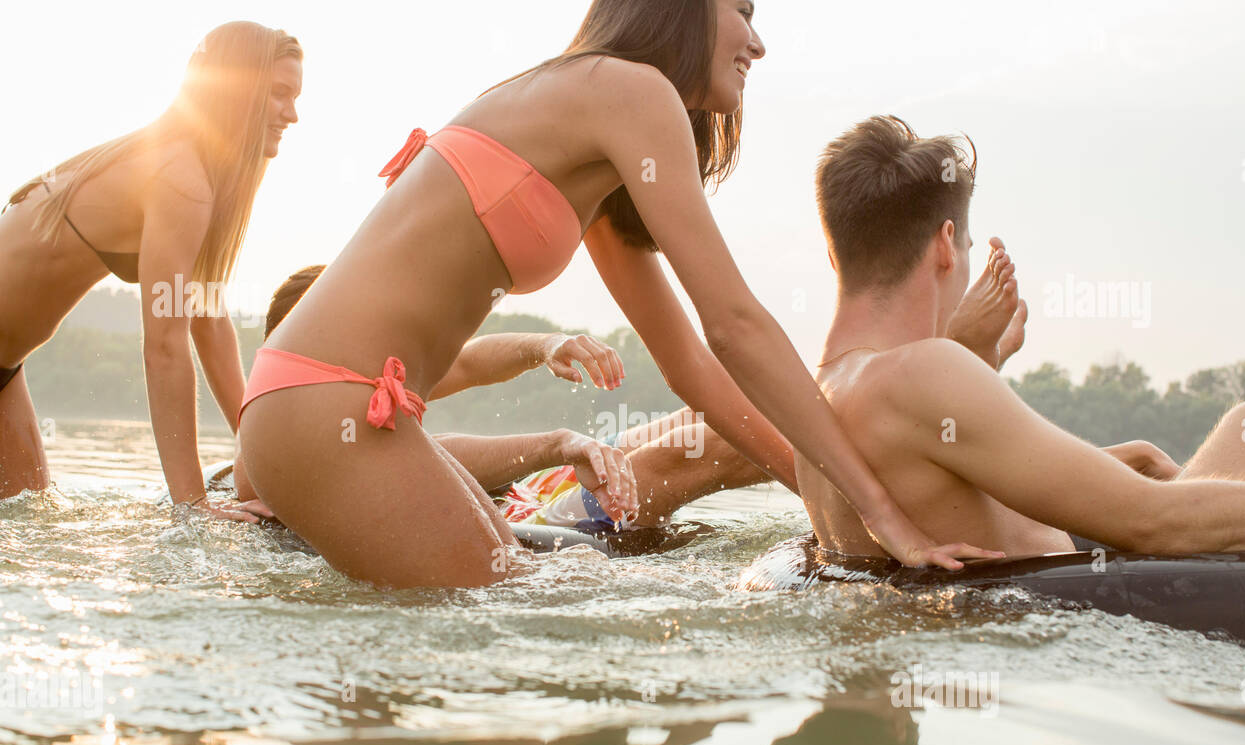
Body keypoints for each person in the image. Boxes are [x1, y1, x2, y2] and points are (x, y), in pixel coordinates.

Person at [237, 0, 1011, 589]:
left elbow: (692, 369)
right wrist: (876, 509)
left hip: (331, 410)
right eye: (741, 9)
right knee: (511, 617)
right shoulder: (630, 92)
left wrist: (822, 497)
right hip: (327, 405)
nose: (758, 40)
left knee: (526, 594)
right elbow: (735, 324)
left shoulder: (599, 129)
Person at [799, 115, 1245, 558]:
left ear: (833, 254)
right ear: (946, 246)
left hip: (982, 615)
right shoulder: (922, 370)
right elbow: (1151, 522)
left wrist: (977, 354)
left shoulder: (811, 399)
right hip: (1089, 622)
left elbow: (955, 485)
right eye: (968, 248)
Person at [0, 21, 302, 521]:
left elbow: (209, 323)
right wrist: (193, 506)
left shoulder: (196, 175)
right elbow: (164, 345)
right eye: (279, 94)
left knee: (29, 515)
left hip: (8, 371)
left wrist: (262, 458)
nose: (292, 113)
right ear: (238, 89)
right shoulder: (180, 177)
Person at [232, 265, 767, 531]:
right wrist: (559, 443)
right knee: (708, 442)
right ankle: (849, 457)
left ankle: (837, 419)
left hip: (520, 497)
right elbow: (432, 456)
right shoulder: (274, 441)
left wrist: (546, 345)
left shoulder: (365, 375)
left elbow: (466, 359)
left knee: (708, 409)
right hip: (529, 533)